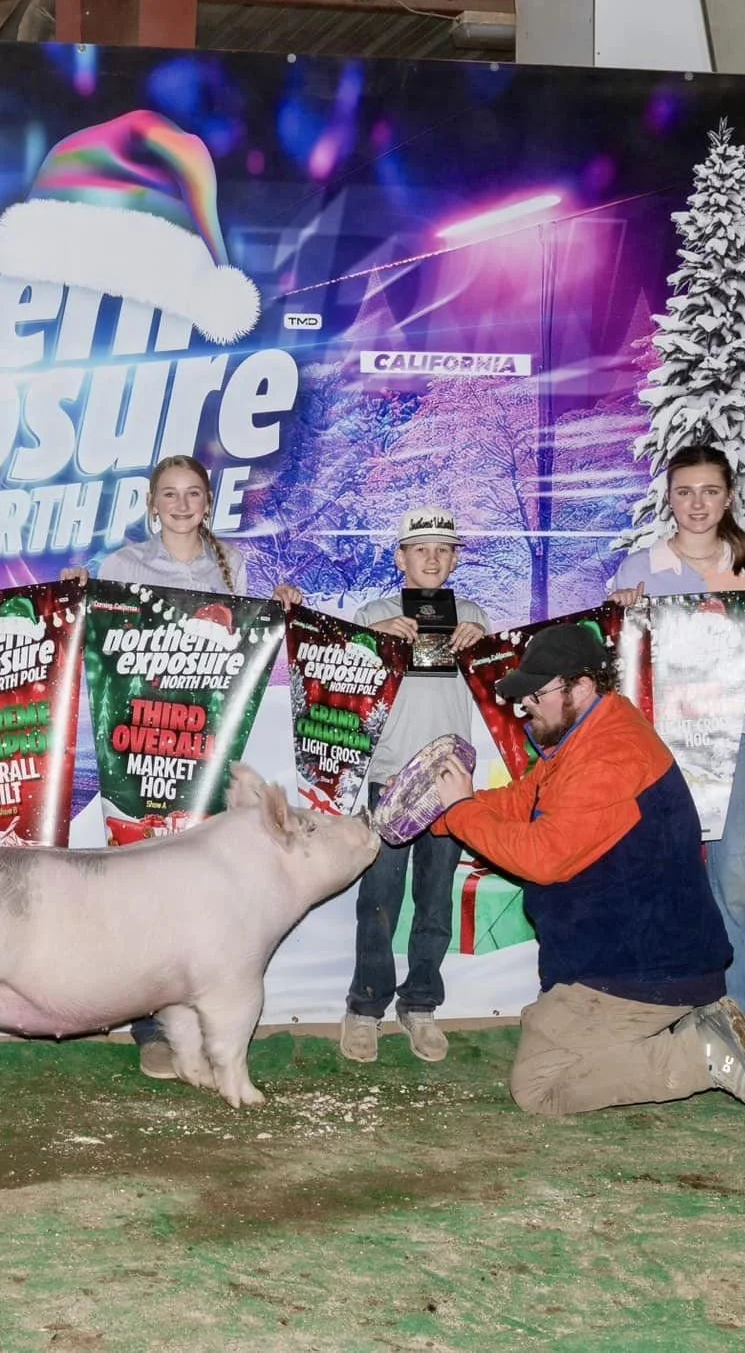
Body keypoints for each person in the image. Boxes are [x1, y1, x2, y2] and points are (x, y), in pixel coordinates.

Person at [429, 622, 745, 1131]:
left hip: (642, 973)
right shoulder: (595, 730)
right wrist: (438, 815)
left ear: (583, 686)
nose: (525, 704)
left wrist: (461, 812)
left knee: (538, 1085)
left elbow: (544, 857)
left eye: (538, 692)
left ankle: (703, 1054)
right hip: (630, 960)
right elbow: (523, 800)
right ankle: (693, 1023)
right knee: (545, 1022)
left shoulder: (608, 757)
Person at [62, 453, 301, 1081]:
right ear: (152, 502)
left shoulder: (234, 566)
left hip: (204, 748)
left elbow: (244, 651)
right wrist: (76, 595)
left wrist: (278, 607)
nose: (181, 504)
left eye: (193, 493)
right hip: (138, 742)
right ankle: (148, 1025)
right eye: (169, 494)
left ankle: (202, 1011)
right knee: (144, 889)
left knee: (203, 890)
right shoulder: (122, 565)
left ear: (208, 500)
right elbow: (101, 641)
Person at [609, 443, 745, 1039]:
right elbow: (615, 665)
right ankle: (670, 1011)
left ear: (729, 497)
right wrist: (618, 614)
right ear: (670, 496)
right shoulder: (640, 567)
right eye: (684, 491)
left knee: (730, 886)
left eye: (710, 491)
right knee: (665, 878)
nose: (697, 503)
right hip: (659, 750)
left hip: (729, 743)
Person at [338, 508, 490, 1066]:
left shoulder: (472, 615)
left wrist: (481, 645)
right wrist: (372, 640)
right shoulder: (371, 613)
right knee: (378, 897)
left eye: (442, 549)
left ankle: (421, 1002)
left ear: (454, 560)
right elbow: (342, 675)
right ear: (400, 557)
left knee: (435, 898)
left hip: (450, 778)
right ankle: (364, 1006)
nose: (431, 557)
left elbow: (501, 686)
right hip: (391, 772)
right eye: (419, 548)